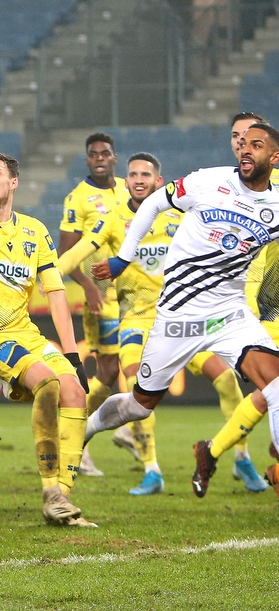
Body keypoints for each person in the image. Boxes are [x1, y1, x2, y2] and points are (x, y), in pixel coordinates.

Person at [85, 124, 279, 484]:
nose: (246, 150)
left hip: (229, 315)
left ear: (275, 157)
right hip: (179, 316)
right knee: (138, 406)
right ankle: (84, 431)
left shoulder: (277, 205)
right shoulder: (208, 181)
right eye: (243, 144)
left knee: (275, 383)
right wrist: (123, 258)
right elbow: (156, 203)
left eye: (257, 145)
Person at [0, 153, 92, 526]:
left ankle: (62, 497)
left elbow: (56, 293)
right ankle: (50, 491)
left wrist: (72, 353)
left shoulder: (34, 230)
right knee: (46, 382)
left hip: (25, 333)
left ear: (13, 182)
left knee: (77, 392)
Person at [58, 153, 182, 495]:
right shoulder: (113, 220)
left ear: (159, 181)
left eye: (146, 174)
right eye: (133, 174)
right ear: (125, 181)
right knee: (134, 384)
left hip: (179, 317)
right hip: (136, 319)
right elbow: (80, 250)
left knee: (227, 380)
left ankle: (240, 454)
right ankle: (152, 469)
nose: (139, 179)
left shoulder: (178, 214)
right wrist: (51, 274)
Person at [190, 113, 279, 497]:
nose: (244, 144)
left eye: (253, 138)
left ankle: (213, 451)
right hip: (257, 311)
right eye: (238, 138)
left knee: (267, 396)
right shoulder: (218, 188)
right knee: (271, 392)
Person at [57, 133, 128, 477]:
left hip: (134, 295)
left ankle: (79, 435)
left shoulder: (130, 190)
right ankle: (81, 436)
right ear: (87, 160)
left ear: (115, 158)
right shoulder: (77, 199)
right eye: (93, 154)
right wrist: (88, 288)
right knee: (114, 369)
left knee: (113, 372)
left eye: (105, 153)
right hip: (102, 298)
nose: (99, 158)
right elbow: (65, 253)